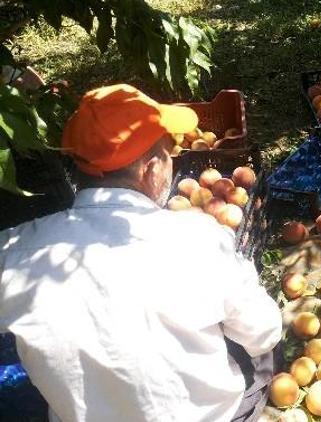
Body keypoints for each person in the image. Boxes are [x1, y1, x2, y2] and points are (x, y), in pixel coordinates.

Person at [0, 84, 282, 422]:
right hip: (209, 415)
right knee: (261, 348)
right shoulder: (197, 239)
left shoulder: (15, 251)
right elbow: (264, 331)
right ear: (151, 170)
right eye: (167, 152)